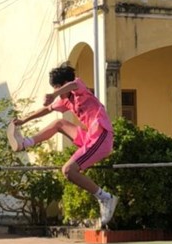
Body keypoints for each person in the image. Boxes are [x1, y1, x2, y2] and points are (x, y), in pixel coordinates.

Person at [8, 63, 118, 229]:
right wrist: (24, 120)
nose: (58, 93)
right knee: (59, 123)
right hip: (90, 137)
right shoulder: (66, 100)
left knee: (68, 170)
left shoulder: (78, 86)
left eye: (59, 88)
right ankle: (25, 143)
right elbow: (46, 109)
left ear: (64, 84)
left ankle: (105, 197)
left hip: (101, 136)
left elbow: (72, 85)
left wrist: (54, 94)